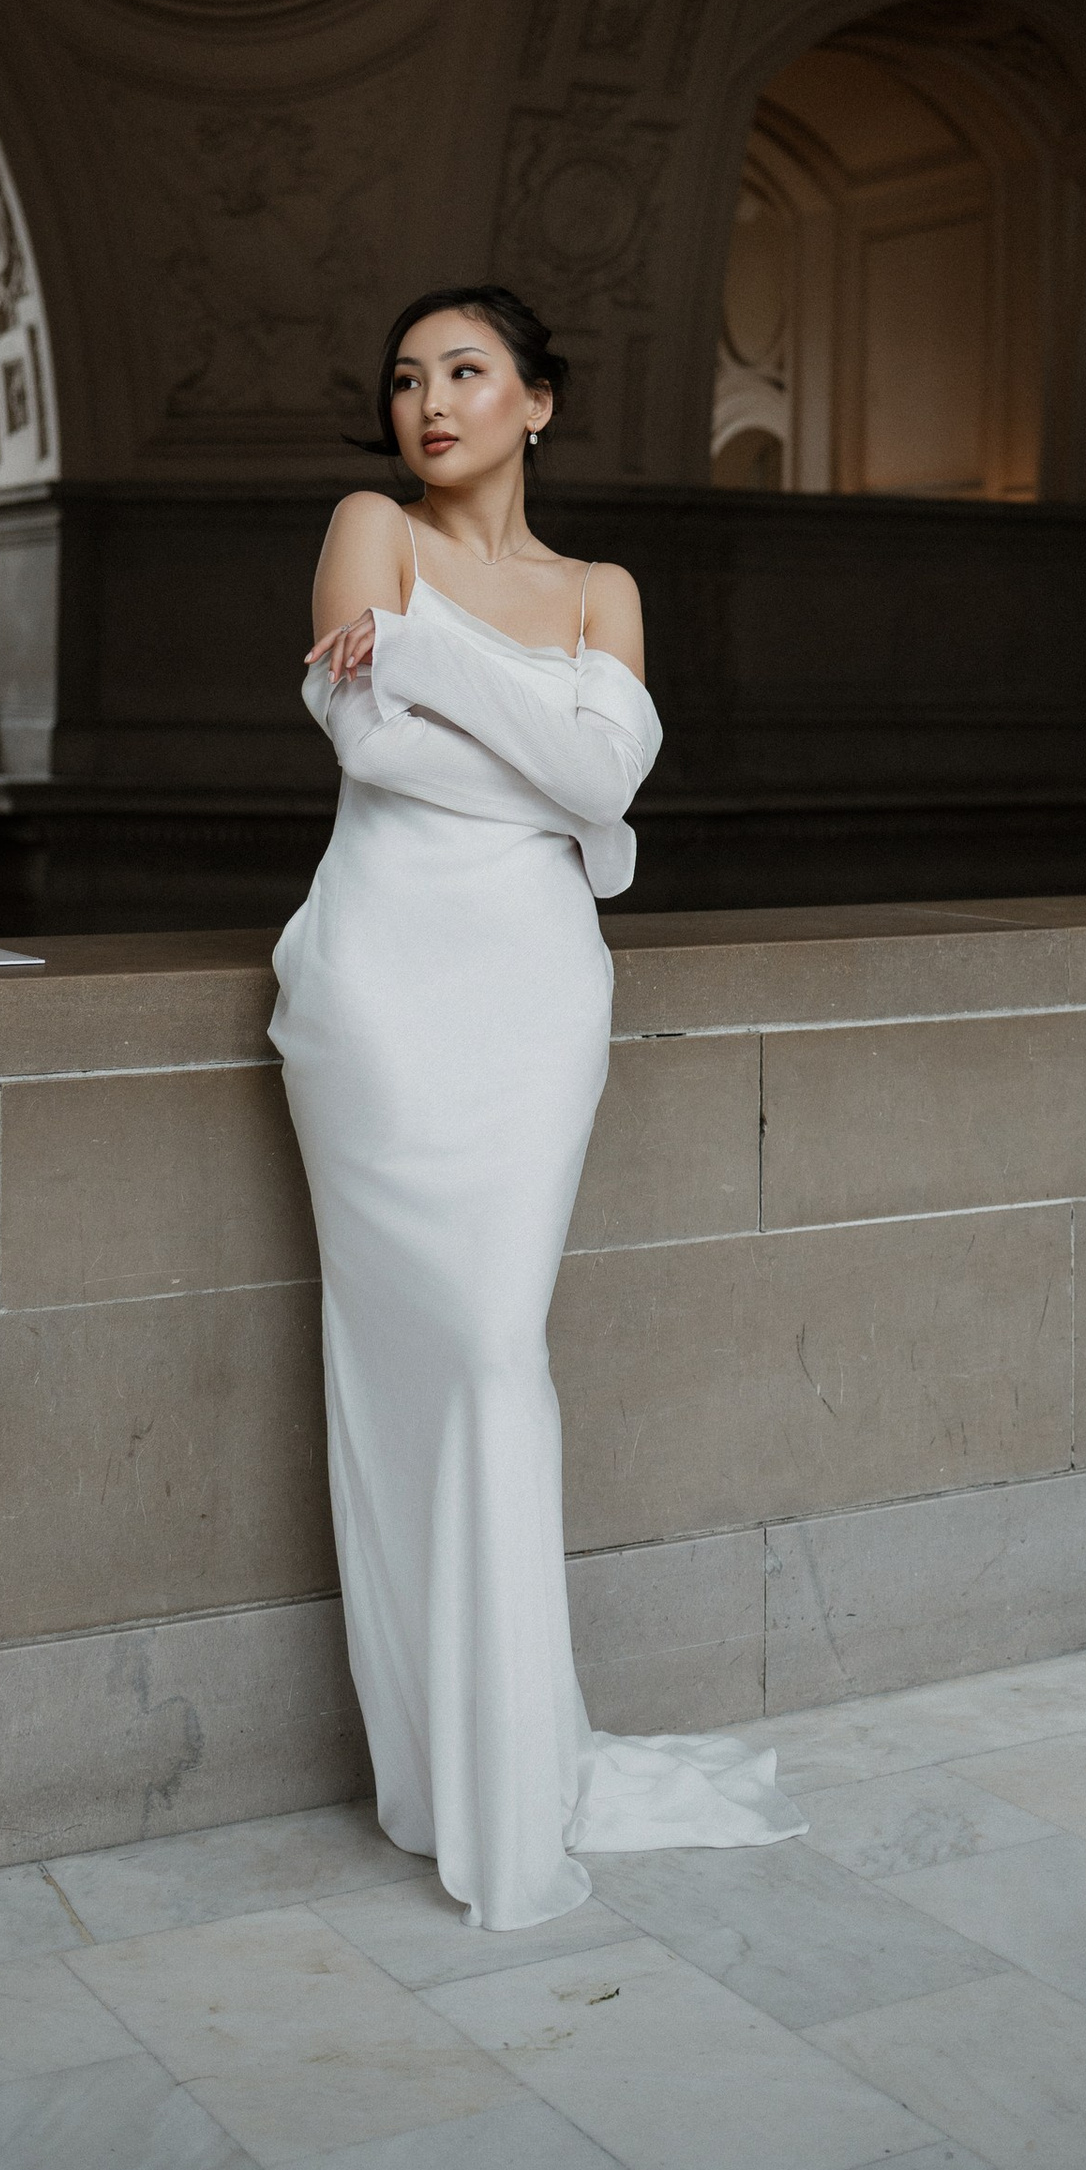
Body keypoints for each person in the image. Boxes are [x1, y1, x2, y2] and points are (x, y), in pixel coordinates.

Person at [271, 282, 803, 1927]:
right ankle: (446, 1779)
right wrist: (510, 723)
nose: (431, 401)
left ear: (537, 402)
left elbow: (607, 787)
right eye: (408, 377)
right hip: (376, 1000)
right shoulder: (369, 525)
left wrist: (439, 664)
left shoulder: (602, 587)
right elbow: (371, 749)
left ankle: (510, 1780)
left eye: (468, 372)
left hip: (534, 1003)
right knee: (407, 1366)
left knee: (500, 1350)